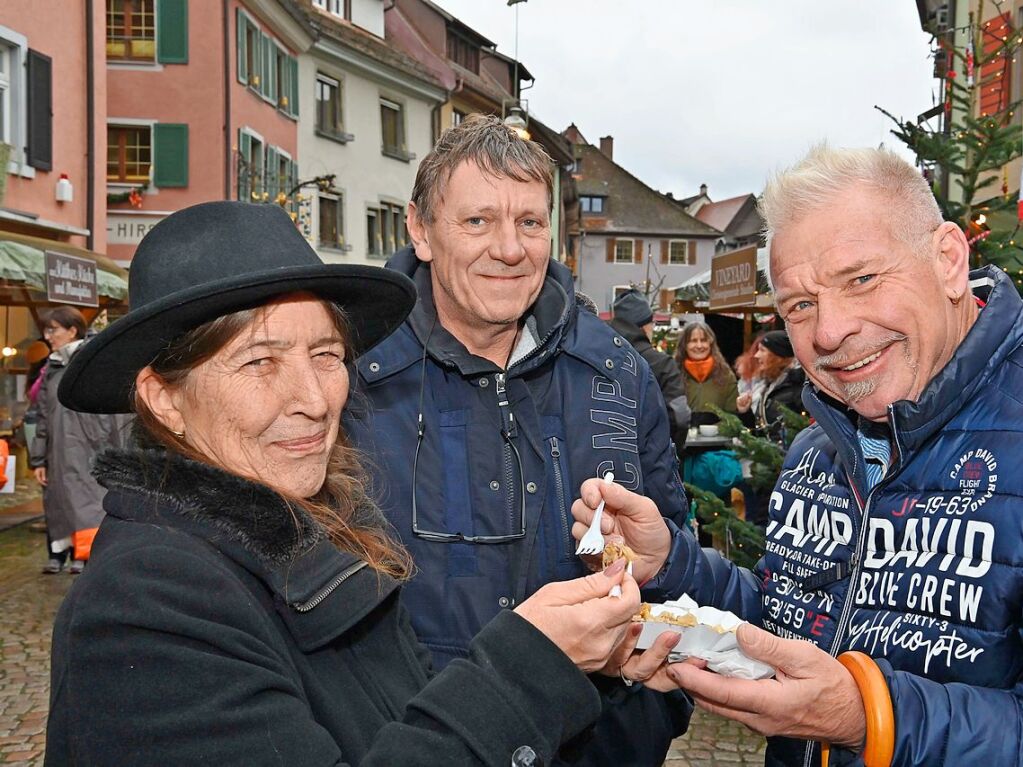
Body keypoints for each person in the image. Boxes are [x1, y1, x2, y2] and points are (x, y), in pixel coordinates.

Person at [45, 201, 678, 766]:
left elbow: (400, 725)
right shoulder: (146, 607)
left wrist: (580, 663)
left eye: (326, 356)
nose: (315, 401)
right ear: (165, 399)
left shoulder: (331, 530)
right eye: (260, 362)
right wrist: (532, 665)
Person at [570, 145, 1023, 766]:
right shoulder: (817, 450)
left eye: (861, 279)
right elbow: (789, 622)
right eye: (800, 306)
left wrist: (869, 717)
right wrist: (670, 564)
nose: (830, 332)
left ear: (948, 259)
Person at [344, 114, 693, 765]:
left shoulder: (615, 372)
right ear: (420, 230)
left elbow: (669, 557)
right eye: (477, 222)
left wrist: (649, 717)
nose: (509, 248)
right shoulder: (351, 377)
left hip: (593, 744)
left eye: (529, 223)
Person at [28, 307, 127, 574]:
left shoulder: (94, 360)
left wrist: (109, 448)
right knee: (60, 501)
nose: (48, 336)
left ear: (72, 330)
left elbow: (111, 410)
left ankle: (84, 554)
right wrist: (38, 458)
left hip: (90, 447)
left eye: (53, 329)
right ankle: (64, 553)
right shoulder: (52, 366)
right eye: (46, 330)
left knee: (88, 501)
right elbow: (42, 415)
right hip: (59, 449)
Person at [609, 289, 690, 451]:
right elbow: (680, 415)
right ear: (645, 325)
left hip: (608, 458)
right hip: (655, 459)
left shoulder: (601, 358)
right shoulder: (662, 363)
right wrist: (673, 451)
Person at [735, 329, 805, 440]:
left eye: (762, 350)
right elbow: (760, 433)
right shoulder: (770, 385)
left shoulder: (798, 388)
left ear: (778, 356)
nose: (757, 355)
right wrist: (745, 412)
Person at [675, 320, 738, 423]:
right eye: (693, 341)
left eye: (703, 340)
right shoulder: (673, 374)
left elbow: (732, 415)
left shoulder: (725, 375)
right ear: (684, 345)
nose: (699, 346)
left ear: (711, 344)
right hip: (680, 437)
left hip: (717, 437)